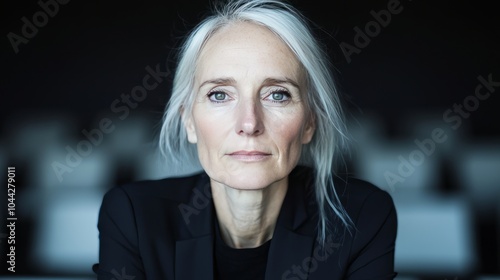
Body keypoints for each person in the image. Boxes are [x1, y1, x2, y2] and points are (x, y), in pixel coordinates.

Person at [94, 0, 398, 279]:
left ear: (310, 122)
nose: (249, 123)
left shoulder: (361, 217)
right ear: (189, 120)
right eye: (219, 95)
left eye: (277, 95)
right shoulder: (132, 217)